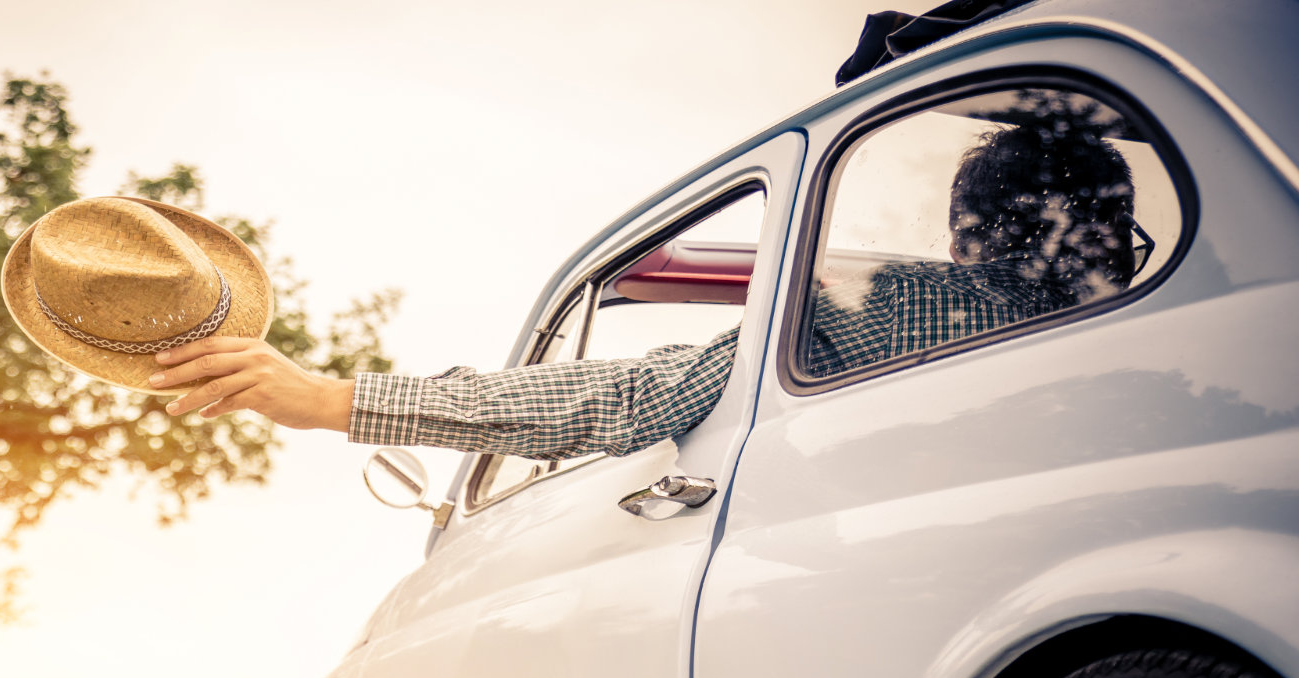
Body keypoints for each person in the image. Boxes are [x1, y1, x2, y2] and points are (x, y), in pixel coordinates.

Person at [147, 121, 1136, 458]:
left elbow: (631, 396)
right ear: (1113, 232)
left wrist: (335, 399)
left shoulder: (891, 301)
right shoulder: (1178, 342)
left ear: (967, 234)